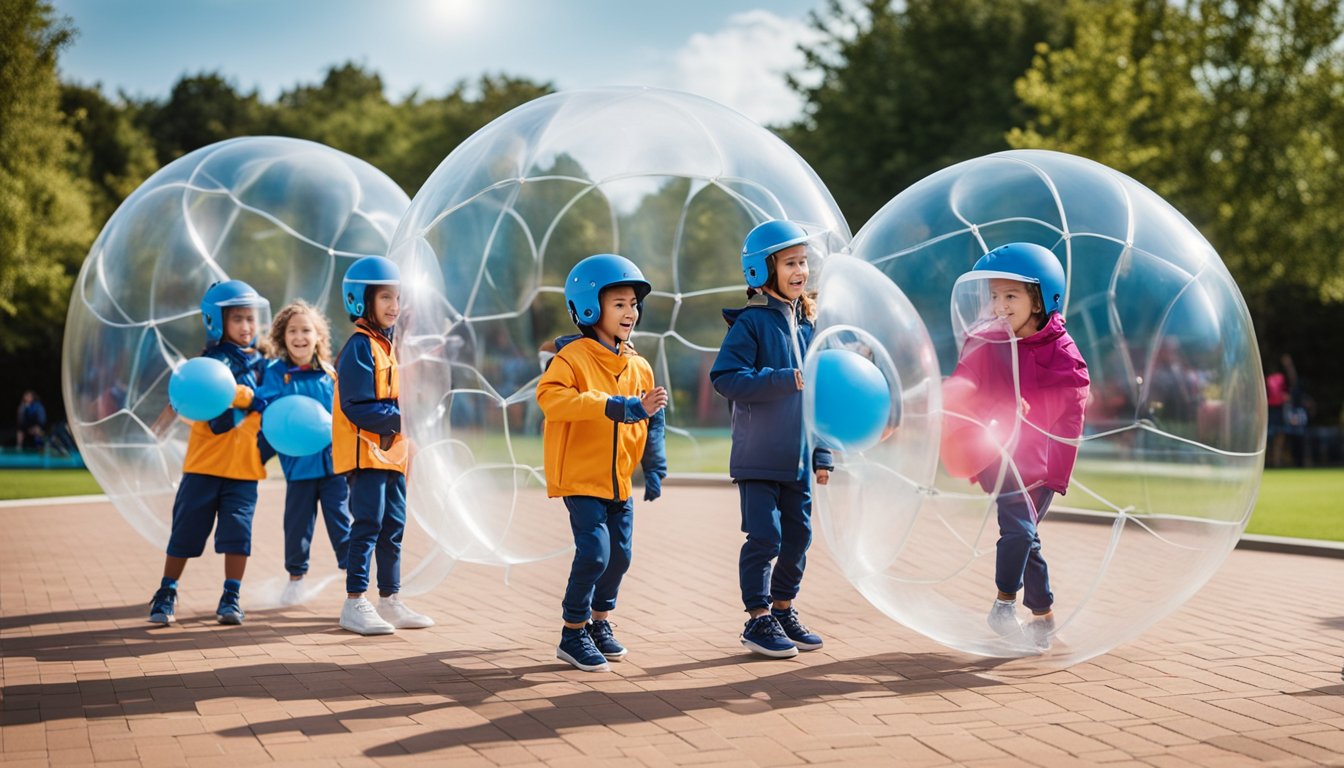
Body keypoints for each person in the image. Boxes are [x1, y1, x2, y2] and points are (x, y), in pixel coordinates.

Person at [945, 242, 1090, 651]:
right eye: (994, 295)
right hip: (997, 451)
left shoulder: (1063, 352)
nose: (1000, 305)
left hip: (1041, 463)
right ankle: (1020, 611)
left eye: (1012, 295)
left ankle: (1026, 609)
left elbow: (1073, 399)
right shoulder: (987, 339)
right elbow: (968, 380)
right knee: (1021, 530)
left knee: (1025, 535)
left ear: (1042, 299)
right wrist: (952, 395)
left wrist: (1033, 414)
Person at [536, 254, 668, 672]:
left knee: (620, 557)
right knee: (594, 553)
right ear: (590, 307)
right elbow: (551, 399)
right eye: (619, 304)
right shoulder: (571, 359)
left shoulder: (640, 365)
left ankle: (599, 622)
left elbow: (653, 419)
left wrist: (655, 465)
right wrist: (614, 405)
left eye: (633, 304)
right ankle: (572, 632)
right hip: (580, 476)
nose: (630, 312)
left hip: (618, 482)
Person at [710, 220, 833, 659]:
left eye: (803, 262)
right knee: (766, 537)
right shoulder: (752, 324)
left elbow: (819, 397)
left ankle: (783, 609)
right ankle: (757, 618)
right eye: (790, 263)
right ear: (762, 271)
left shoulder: (808, 327)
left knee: (799, 537)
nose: (801, 270)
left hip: (798, 459)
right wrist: (785, 378)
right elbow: (725, 377)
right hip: (758, 457)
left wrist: (822, 451)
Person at [148, 280, 273, 625]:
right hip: (204, 466)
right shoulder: (208, 363)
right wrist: (244, 399)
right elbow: (185, 398)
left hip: (244, 468)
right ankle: (167, 590)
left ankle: (231, 595)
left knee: (238, 534)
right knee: (185, 532)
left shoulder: (266, 365)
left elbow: (275, 400)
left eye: (250, 319)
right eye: (238, 319)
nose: (247, 327)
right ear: (217, 322)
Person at [332, 256, 433, 635]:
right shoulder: (360, 346)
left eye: (398, 298)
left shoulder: (389, 345)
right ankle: (354, 601)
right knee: (368, 524)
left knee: (393, 526)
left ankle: (389, 600)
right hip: (366, 455)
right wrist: (404, 417)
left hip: (392, 456)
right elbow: (356, 406)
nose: (394, 306)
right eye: (385, 297)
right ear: (362, 301)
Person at [258, 300, 351, 606]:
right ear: (282, 338)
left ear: (318, 336)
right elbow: (269, 409)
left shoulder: (329, 373)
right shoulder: (276, 373)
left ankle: (356, 581)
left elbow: (339, 417)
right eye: (292, 331)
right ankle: (295, 579)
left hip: (334, 467)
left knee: (342, 522)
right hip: (298, 467)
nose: (300, 337)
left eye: (306, 330)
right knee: (297, 525)